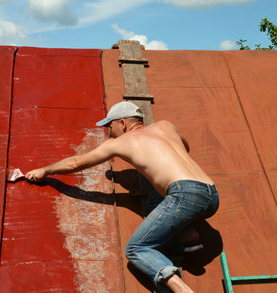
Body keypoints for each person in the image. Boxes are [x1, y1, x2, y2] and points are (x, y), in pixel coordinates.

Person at [26, 101, 219, 293]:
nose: (109, 133)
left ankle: (180, 290)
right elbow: (186, 147)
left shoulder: (119, 142)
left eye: (110, 126)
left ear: (123, 124)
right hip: (211, 194)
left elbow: (75, 164)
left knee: (136, 249)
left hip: (183, 195)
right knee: (153, 198)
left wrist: (44, 170)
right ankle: (187, 235)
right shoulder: (166, 126)